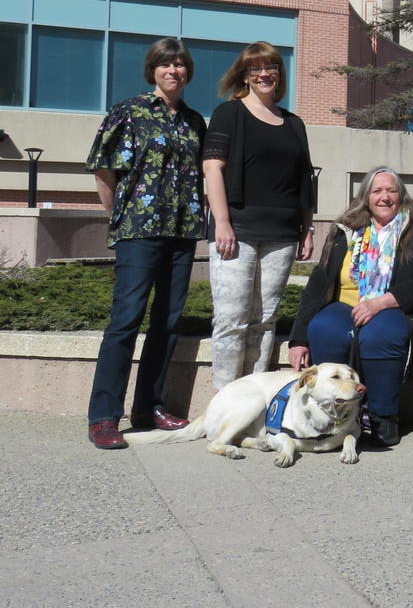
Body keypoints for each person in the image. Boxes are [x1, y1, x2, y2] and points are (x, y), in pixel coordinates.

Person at [84, 38, 206, 449]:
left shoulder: (194, 121)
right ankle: (104, 416)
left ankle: (148, 406)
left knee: (167, 324)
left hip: (183, 231)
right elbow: (103, 168)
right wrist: (117, 216)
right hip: (139, 231)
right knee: (125, 321)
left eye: (180, 65)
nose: (173, 71)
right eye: (166, 65)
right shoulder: (130, 111)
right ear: (153, 69)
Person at [289, 167, 413, 447]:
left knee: (380, 333)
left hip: (398, 308)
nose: (384, 197)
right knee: (325, 328)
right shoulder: (345, 231)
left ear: (401, 196)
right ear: (365, 197)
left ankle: (381, 416)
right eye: (377, 191)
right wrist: (298, 338)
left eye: (391, 190)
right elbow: (319, 283)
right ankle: (333, 417)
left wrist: (382, 302)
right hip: (347, 304)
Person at [203, 42, 315, 391]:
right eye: (256, 69)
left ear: (279, 74)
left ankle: (254, 401)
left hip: (282, 234)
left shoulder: (293, 123)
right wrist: (222, 223)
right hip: (237, 230)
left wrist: (306, 229)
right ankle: (225, 402)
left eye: (271, 68)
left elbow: (304, 180)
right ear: (246, 75)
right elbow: (212, 168)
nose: (264, 74)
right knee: (231, 320)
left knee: (265, 322)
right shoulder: (229, 113)